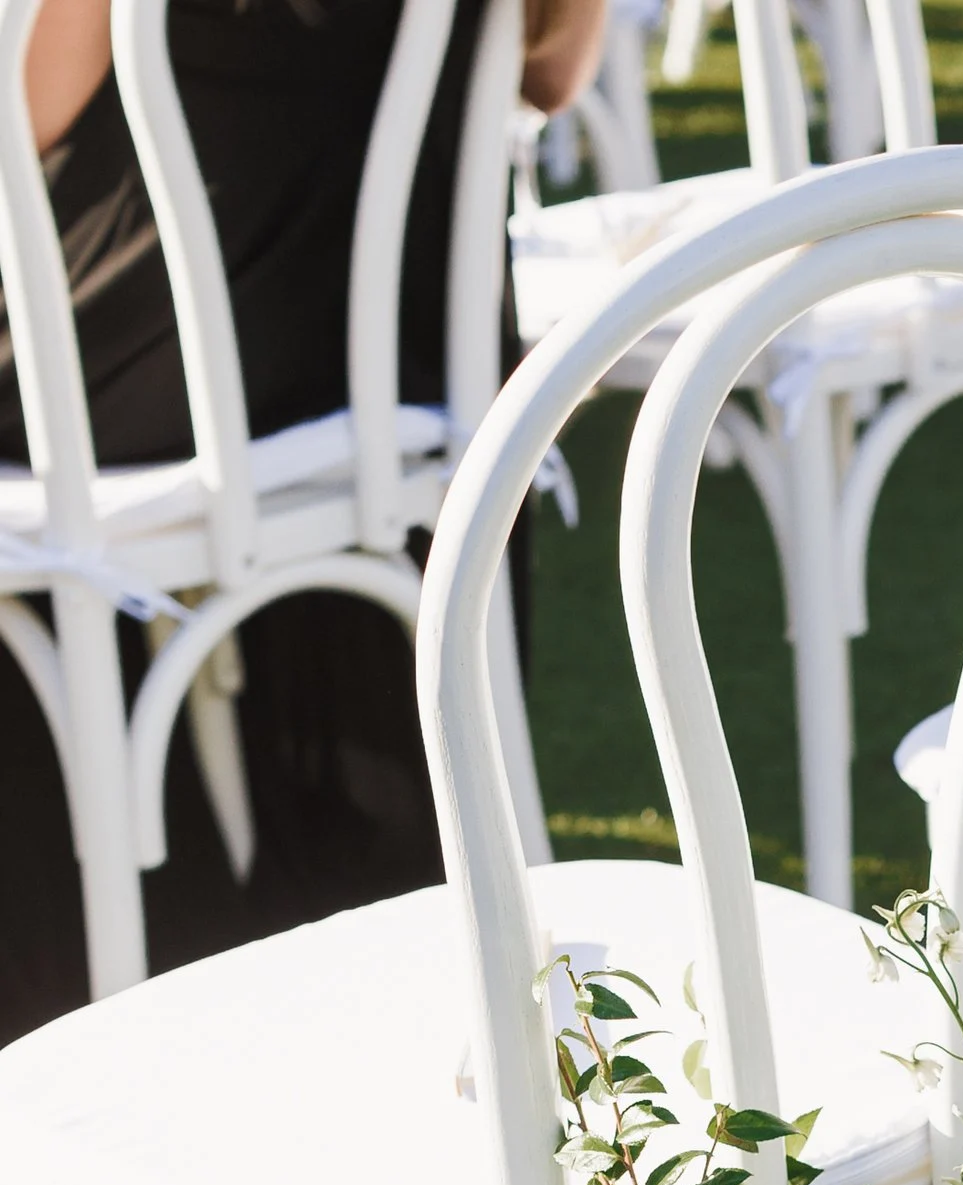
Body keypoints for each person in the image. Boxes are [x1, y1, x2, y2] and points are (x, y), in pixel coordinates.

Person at [0, 0, 608, 1037]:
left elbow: (29, 109)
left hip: (185, 347)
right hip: (409, 352)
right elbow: (550, 73)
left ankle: (100, 989)